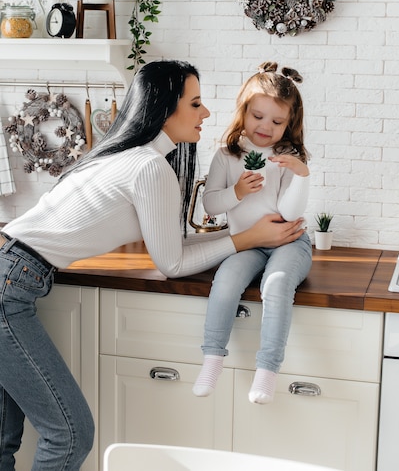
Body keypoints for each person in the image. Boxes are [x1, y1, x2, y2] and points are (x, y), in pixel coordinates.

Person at [0, 59, 305, 470]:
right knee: (70, 435)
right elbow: (173, 263)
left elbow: (173, 246)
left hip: (12, 270)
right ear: (166, 108)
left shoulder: (124, 155)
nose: (207, 113)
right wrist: (248, 238)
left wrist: (249, 237)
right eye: (196, 103)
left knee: (4, 438)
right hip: (10, 283)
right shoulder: (149, 167)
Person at [193, 61, 312, 405]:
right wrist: (238, 192)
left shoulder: (287, 157)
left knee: (275, 285)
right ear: (243, 111)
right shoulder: (227, 156)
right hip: (248, 244)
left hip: (289, 242)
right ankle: (212, 360)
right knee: (226, 281)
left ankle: (267, 370)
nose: (266, 127)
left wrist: (302, 175)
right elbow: (212, 205)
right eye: (258, 116)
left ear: (289, 124)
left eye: (277, 122)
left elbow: (290, 214)